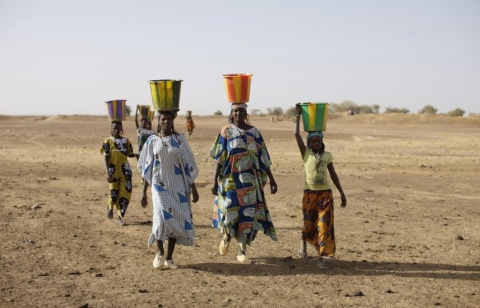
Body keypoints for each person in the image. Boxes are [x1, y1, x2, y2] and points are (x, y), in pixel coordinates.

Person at [210, 103, 278, 263]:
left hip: (250, 183)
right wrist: (214, 180)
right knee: (229, 213)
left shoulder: (254, 133)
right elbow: (220, 157)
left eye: (241, 110)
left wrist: (272, 179)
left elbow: (263, 157)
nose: (238, 113)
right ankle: (227, 235)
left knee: (247, 216)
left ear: (246, 113)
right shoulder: (226, 131)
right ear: (232, 114)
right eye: (235, 111)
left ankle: (242, 250)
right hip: (230, 181)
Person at [138, 110, 199, 270]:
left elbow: (188, 164)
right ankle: (159, 251)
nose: (166, 122)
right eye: (163, 119)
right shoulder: (152, 141)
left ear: (173, 121)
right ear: (158, 121)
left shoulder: (179, 140)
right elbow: (147, 167)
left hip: (178, 186)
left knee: (176, 219)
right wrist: (144, 192)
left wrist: (194, 187)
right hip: (159, 186)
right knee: (160, 219)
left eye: (169, 119)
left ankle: (169, 258)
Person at [294, 104, 347, 269]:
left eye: (318, 141)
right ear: (309, 143)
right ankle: (303, 244)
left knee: (324, 226)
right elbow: (296, 134)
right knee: (309, 224)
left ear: (322, 142)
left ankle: (321, 258)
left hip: (325, 195)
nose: (316, 143)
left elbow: (334, 174)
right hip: (309, 194)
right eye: (313, 141)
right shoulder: (306, 154)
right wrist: (297, 116)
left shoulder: (327, 156)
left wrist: (342, 193)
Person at [100, 121, 139, 225]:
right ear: (111, 130)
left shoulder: (126, 141)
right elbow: (105, 157)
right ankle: (109, 206)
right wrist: (107, 172)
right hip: (113, 173)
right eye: (114, 128)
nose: (116, 130)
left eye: (118, 128)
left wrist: (135, 155)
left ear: (121, 129)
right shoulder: (107, 141)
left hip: (125, 172)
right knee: (114, 194)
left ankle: (120, 217)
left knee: (125, 195)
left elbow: (128, 153)